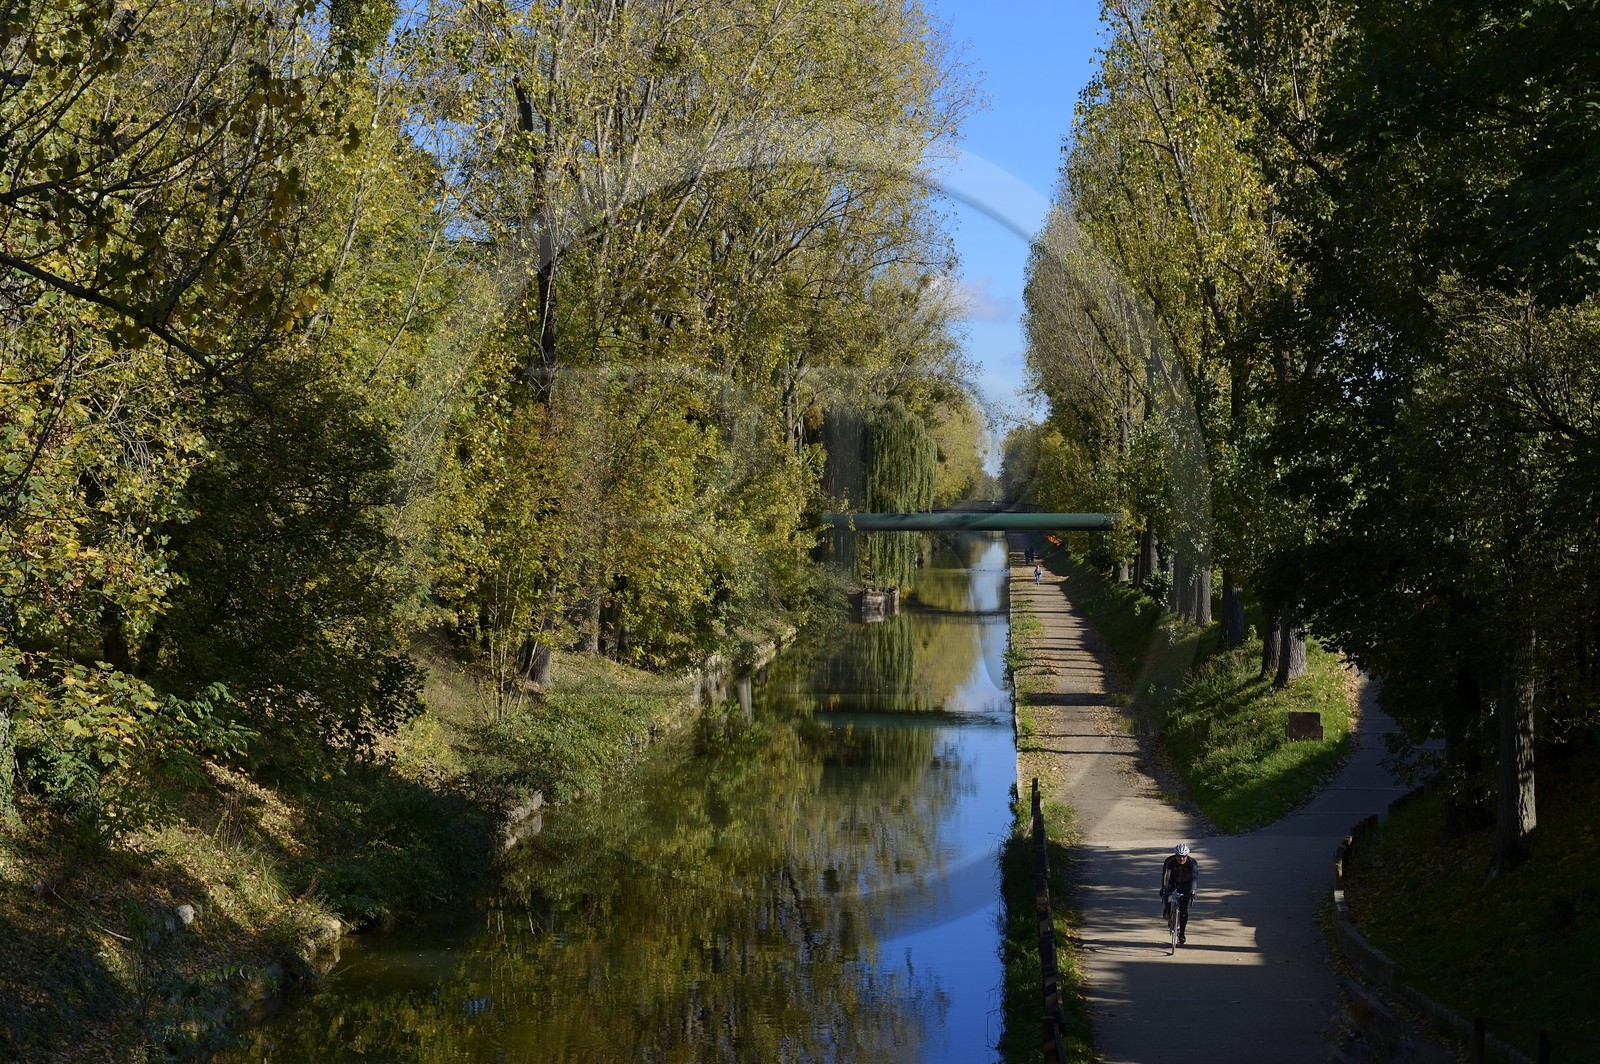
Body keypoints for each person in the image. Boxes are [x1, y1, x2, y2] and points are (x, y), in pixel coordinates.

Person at [1160, 844, 1199, 944]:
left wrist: (1193, 890)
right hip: (1173, 880)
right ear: (1175, 855)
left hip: (1186, 883)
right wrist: (1164, 887)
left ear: (1187, 855)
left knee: (1183, 909)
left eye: (1183, 856)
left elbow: (1194, 878)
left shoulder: (1192, 863)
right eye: (1179, 856)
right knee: (1167, 892)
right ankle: (1167, 909)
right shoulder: (1170, 861)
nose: (1181, 858)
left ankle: (1182, 934)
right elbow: (1166, 876)